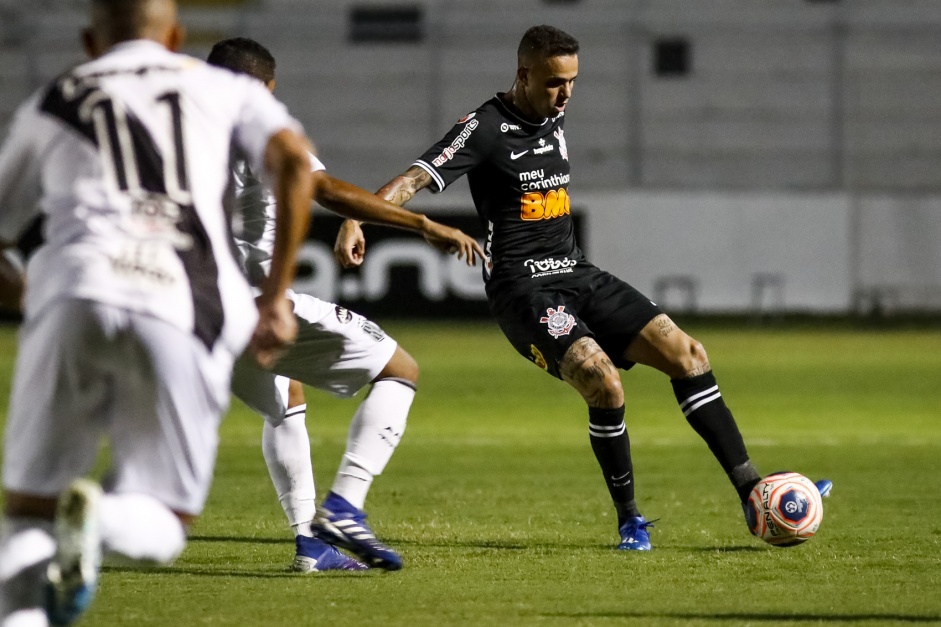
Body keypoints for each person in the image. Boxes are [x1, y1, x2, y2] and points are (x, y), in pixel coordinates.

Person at [336, 24, 831, 551]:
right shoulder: (482, 128)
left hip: (577, 272)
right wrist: (356, 218)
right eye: (554, 83)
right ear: (523, 75)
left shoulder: (554, 110)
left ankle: (753, 492)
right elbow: (414, 177)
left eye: (573, 81)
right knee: (604, 382)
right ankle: (630, 521)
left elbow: (554, 110)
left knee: (689, 355)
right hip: (523, 290)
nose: (566, 93)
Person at [0, 1, 313, 624]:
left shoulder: (56, 98)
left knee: (27, 518)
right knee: (165, 523)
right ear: (174, 37)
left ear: (91, 40)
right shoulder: (222, 87)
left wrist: (33, 297)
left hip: (75, 291)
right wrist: (276, 297)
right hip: (182, 302)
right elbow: (296, 164)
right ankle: (102, 521)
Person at [206, 37, 484, 572]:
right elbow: (327, 190)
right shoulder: (256, 128)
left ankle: (310, 546)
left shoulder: (174, 133)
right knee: (400, 368)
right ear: (264, 88)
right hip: (254, 305)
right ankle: (345, 507)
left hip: (195, 314)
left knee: (286, 398)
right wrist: (423, 222)